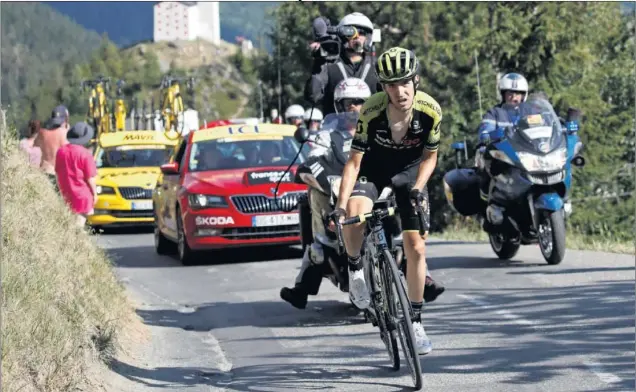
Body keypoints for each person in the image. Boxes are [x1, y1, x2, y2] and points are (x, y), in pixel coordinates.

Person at [281, 76, 445, 311]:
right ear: (339, 105)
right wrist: (318, 173)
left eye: (359, 101)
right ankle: (302, 287)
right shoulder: (327, 135)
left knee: (410, 236)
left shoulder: (381, 124)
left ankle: (424, 278)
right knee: (317, 228)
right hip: (346, 189)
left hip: (381, 188)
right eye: (348, 102)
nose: (353, 107)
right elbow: (313, 157)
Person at [331, 47, 442, 355]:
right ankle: (355, 271)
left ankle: (416, 322)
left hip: (410, 174)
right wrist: (340, 205)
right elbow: (354, 162)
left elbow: (431, 158)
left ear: (415, 80)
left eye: (405, 82)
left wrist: (419, 187)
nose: (399, 90)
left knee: (417, 247)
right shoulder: (371, 111)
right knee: (355, 210)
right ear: (383, 87)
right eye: (391, 85)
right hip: (374, 170)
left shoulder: (430, 110)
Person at [305, 12, 381, 116]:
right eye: (351, 31)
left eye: (362, 32)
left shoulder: (377, 66)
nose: (357, 36)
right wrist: (319, 61)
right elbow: (313, 96)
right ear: (342, 35)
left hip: (369, 129)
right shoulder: (329, 65)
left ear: (369, 38)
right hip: (334, 129)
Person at [55, 122, 98, 227]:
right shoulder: (85, 153)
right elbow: (90, 178)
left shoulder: (61, 151)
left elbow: (57, 173)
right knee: (78, 226)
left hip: (66, 194)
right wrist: (95, 194)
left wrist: (60, 191)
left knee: (70, 225)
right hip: (82, 196)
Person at [36, 105, 71, 190]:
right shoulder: (64, 134)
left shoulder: (42, 133)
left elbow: (35, 145)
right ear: (65, 120)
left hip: (44, 171)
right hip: (58, 175)